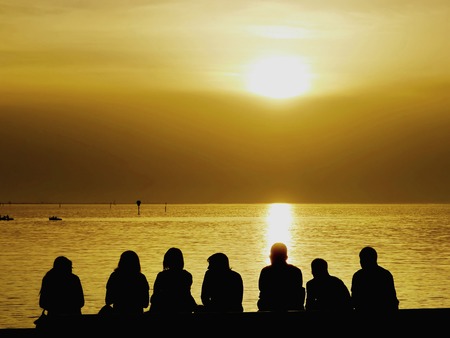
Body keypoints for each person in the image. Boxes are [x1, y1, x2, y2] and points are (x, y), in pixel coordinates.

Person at [257, 242, 305, 311]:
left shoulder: (266, 272)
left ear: (271, 256)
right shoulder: (295, 271)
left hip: (269, 308)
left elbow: (262, 290)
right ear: (286, 257)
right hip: (291, 307)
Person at [149, 247, 198, 313]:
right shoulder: (186, 276)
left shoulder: (162, 276)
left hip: (164, 310)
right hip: (183, 310)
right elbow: (186, 296)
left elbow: (155, 297)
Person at [351, 246, 399, 312]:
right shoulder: (385, 274)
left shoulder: (358, 276)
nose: (361, 262)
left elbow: (355, 299)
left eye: (363, 259)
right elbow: (392, 300)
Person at [105, 250, 150, 316]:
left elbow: (108, 300)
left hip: (119, 314)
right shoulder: (140, 278)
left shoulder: (115, 276)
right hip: (136, 314)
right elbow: (145, 304)